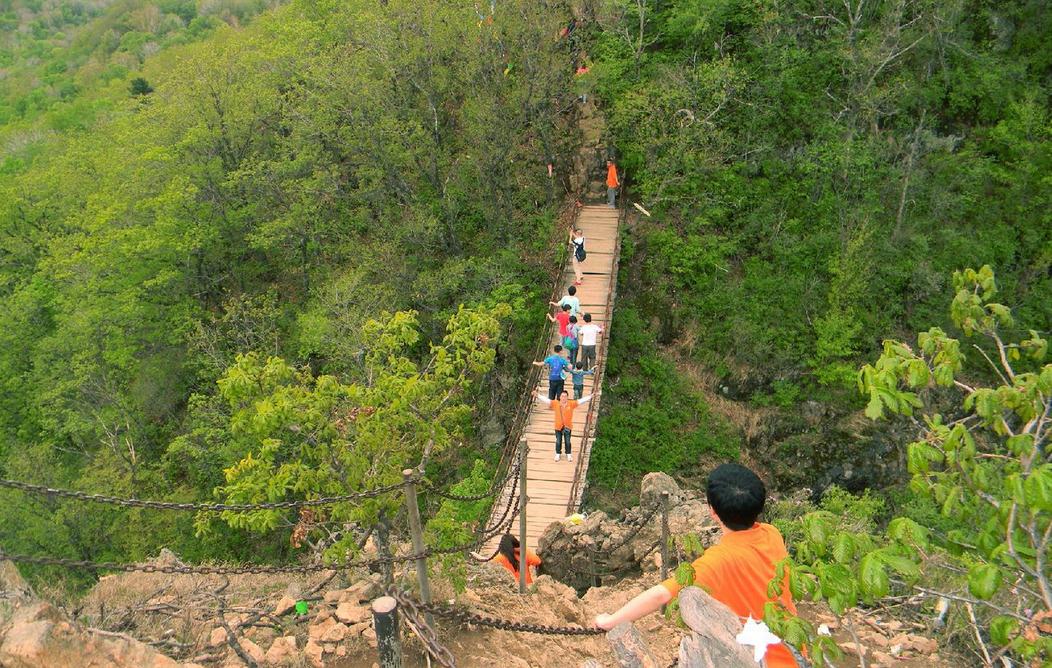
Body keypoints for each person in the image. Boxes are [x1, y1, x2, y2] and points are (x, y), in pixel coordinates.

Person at [593, 464, 799, 668]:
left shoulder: (718, 561)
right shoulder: (772, 534)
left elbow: (661, 595)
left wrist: (610, 621)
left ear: (713, 512)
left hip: (753, 661)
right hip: (794, 653)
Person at [536, 388, 593, 461]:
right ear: (560, 397)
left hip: (567, 426)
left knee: (568, 441)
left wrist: (590, 396)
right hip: (558, 426)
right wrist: (538, 395)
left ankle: (568, 454)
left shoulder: (571, 404)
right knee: (558, 441)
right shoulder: (556, 403)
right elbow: (547, 400)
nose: (563, 398)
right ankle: (558, 454)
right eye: (562, 396)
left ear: (567, 397)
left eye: (565, 396)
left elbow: (580, 401)